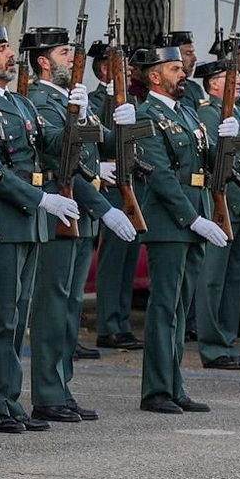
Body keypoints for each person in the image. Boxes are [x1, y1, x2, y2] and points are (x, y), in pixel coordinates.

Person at [0, 25, 75, 432]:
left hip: (28, 224)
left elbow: (52, 146)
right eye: (0, 48)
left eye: (9, 48)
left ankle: (10, 399)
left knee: (16, 315)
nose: (10, 54)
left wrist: (76, 115)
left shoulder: (21, 104)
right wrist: (40, 200)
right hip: (2, 220)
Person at [24, 26, 128, 423]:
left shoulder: (70, 101)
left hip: (77, 214)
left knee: (68, 308)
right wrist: (104, 208)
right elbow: (58, 161)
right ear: (43, 62)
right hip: (58, 211)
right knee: (52, 307)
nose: (71, 59)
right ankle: (48, 393)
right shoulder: (40, 100)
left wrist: (121, 122)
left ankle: (62, 387)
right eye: (63, 53)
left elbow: (106, 145)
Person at [132, 41, 222, 412]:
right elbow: (161, 176)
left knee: (181, 308)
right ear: (155, 76)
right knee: (164, 306)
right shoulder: (146, 115)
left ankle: (174, 384)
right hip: (171, 221)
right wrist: (195, 219)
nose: (183, 73)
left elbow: (204, 163)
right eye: (174, 69)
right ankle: (156, 389)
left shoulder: (186, 113)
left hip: (192, 216)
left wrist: (226, 138)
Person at [191, 58, 240, 372]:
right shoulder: (209, 113)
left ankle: (225, 341)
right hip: (221, 204)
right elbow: (218, 166)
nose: (238, 80)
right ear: (214, 82)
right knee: (213, 279)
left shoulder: (239, 111)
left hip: (239, 205)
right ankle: (212, 346)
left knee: (233, 279)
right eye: (231, 76)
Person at [88, 41, 145, 353]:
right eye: (121, 67)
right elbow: (93, 136)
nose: (128, 72)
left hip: (130, 183)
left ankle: (121, 321)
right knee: (112, 256)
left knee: (128, 254)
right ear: (107, 69)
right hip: (107, 185)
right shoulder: (94, 99)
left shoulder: (129, 100)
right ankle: (108, 324)